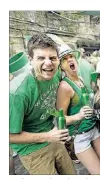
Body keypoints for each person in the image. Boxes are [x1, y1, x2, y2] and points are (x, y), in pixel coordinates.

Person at [9, 33, 76, 175]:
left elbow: (44, 104)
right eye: (41, 58)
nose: (48, 63)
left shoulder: (56, 73)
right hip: (32, 149)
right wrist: (47, 136)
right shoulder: (17, 93)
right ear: (30, 60)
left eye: (52, 58)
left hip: (53, 136)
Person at [56, 41, 100, 174]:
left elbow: (85, 104)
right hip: (80, 136)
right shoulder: (65, 87)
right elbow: (60, 119)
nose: (70, 60)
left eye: (71, 56)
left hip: (93, 129)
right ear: (61, 66)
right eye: (65, 59)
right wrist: (78, 116)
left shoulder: (80, 79)